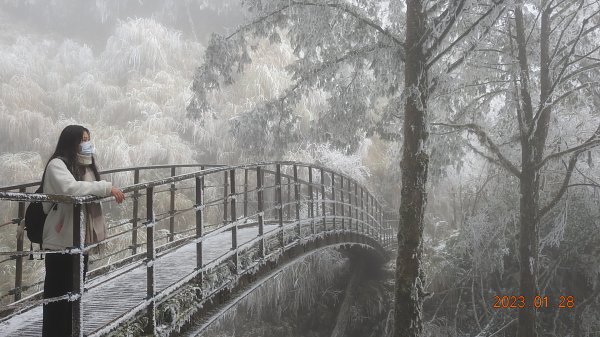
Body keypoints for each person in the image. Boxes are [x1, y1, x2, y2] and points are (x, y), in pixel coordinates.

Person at [41, 125, 125, 337]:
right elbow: (71, 189)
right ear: (71, 142)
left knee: (74, 295)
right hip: (60, 242)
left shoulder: (85, 167)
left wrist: (100, 186)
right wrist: (106, 187)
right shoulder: (57, 165)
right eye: (82, 139)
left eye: (88, 139)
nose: (87, 143)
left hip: (80, 240)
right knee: (57, 298)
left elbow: (87, 188)